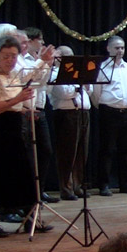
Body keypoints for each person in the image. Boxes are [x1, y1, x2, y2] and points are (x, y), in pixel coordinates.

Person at [0, 35, 50, 237]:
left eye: (14, 56)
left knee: (21, 172)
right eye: (6, 56)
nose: (11, 60)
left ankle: (29, 219)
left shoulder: (15, 72)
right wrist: (18, 98)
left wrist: (43, 61)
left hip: (13, 125)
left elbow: (31, 76)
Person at [91, 36, 127, 196]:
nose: (120, 51)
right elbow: (96, 94)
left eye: (122, 48)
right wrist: (105, 106)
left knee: (126, 150)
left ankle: (126, 184)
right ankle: (104, 184)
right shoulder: (102, 68)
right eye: (117, 48)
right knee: (107, 150)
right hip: (109, 112)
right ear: (108, 49)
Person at [49, 46, 93, 200]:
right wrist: (78, 87)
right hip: (66, 114)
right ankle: (66, 188)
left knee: (82, 152)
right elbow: (63, 92)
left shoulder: (78, 72)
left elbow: (89, 89)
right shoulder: (54, 73)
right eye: (66, 56)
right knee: (68, 152)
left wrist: (81, 86)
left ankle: (78, 185)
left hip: (83, 112)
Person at [24, 26, 59, 203]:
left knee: (45, 151)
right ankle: (29, 195)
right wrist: (42, 63)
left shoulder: (39, 59)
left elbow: (44, 83)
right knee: (29, 154)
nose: (43, 43)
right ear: (30, 41)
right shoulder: (23, 60)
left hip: (40, 108)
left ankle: (40, 190)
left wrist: (47, 65)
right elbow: (30, 81)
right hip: (27, 109)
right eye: (40, 40)